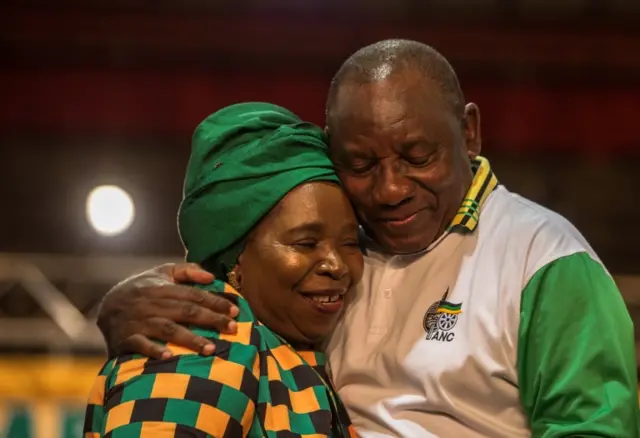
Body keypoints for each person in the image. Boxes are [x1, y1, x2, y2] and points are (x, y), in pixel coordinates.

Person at [94, 40, 640, 437]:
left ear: (469, 132)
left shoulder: (542, 257)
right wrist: (124, 301)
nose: (390, 188)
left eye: (417, 156)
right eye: (360, 164)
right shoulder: (347, 243)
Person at [84, 102, 362, 437]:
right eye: (305, 243)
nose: (337, 265)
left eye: (350, 243)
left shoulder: (289, 350)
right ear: (235, 257)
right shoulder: (208, 337)